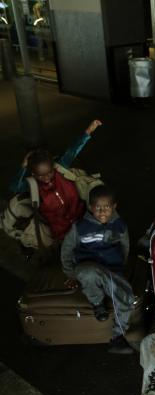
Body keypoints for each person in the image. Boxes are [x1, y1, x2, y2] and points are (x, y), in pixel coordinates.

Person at [61, 185, 134, 354]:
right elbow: (66, 250)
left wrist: (120, 269)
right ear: (90, 207)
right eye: (97, 208)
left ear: (114, 207)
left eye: (107, 207)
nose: (102, 212)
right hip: (88, 269)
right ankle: (97, 303)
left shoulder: (119, 225)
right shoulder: (80, 227)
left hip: (111, 271)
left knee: (126, 296)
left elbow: (125, 247)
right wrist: (70, 273)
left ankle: (118, 338)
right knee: (88, 273)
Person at [10, 119, 102, 194]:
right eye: (41, 176)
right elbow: (15, 188)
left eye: (49, 173)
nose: (46, 178)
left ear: (53, 166)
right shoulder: (33, 184)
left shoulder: (60, 167)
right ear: (33, 174)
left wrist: (88, 131)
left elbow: (73, 150)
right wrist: (23, 167)